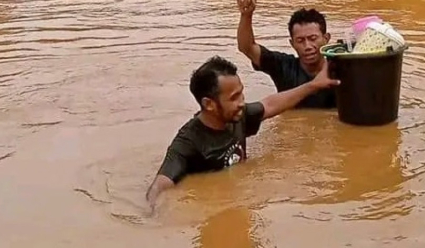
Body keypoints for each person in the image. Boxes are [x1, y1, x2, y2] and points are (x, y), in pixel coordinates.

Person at [145, 55, 339, 210]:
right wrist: (153, 213)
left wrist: (313, 85)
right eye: (234, 97)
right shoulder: (188, 143)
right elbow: (161, 185)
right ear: (209, 104)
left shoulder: (238, 116)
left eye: (241, 93)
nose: (241, 102)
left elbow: (271, 104)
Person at [236, 0, 336, 109]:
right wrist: (246, 15)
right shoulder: (283, 67)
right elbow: (247, 48)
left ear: (326, 38)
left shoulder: (341, 69)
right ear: (292, 43)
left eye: (313, 39)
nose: (307, 46)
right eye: (300, 40)